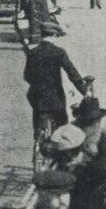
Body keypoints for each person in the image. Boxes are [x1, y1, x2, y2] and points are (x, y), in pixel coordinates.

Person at [22, 30, 92, 159]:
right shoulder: (59, 52)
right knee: (61, 126)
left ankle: (38, 142)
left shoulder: (32, 52)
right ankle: (61, 156)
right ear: (53, 36)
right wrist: (83, 91)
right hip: (55, 98)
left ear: (42, 36)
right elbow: (72, 73)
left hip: (37, 97)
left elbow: (27, 76)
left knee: (38, 120)